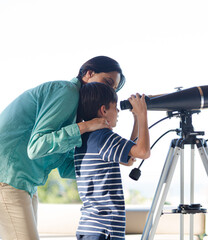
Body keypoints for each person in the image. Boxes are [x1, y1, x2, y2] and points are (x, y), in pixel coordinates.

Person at [0, 56, 126, 240]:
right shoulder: (67, 92)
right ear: (88, 73)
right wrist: (87, 126)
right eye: (107, 82)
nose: (108, 91)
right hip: (7, 177)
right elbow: (36, 147)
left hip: (25, 182)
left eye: (113, 89)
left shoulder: (76, 113)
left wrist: (104, 161)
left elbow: (66, 168)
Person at [74, 82, 150, 240]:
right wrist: (143, 115)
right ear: (103, 110)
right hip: (104, 229)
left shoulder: (87, 137)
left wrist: (136, 118)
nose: (117, 112)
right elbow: (143, 152)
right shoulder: (104, 137)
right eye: (115, 107)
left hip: (90, 228)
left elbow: (129, 158)